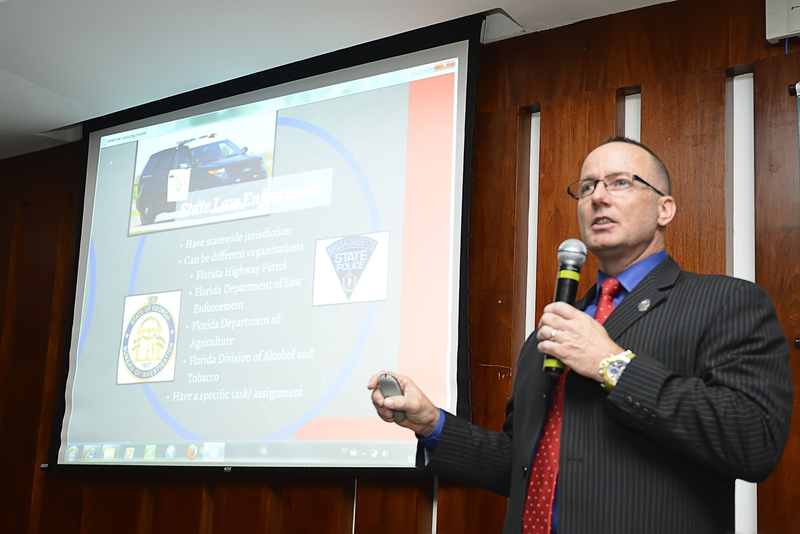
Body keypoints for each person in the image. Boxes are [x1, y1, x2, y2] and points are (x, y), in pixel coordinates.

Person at [368, 137, 793, 534]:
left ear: (664, 209)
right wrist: (431, 423)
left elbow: (754, 441)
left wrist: (612, 365)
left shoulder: (726, 302)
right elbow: (522, 466)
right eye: (588, 186)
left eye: (620, 182)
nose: (598, 197)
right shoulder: (552, 333)